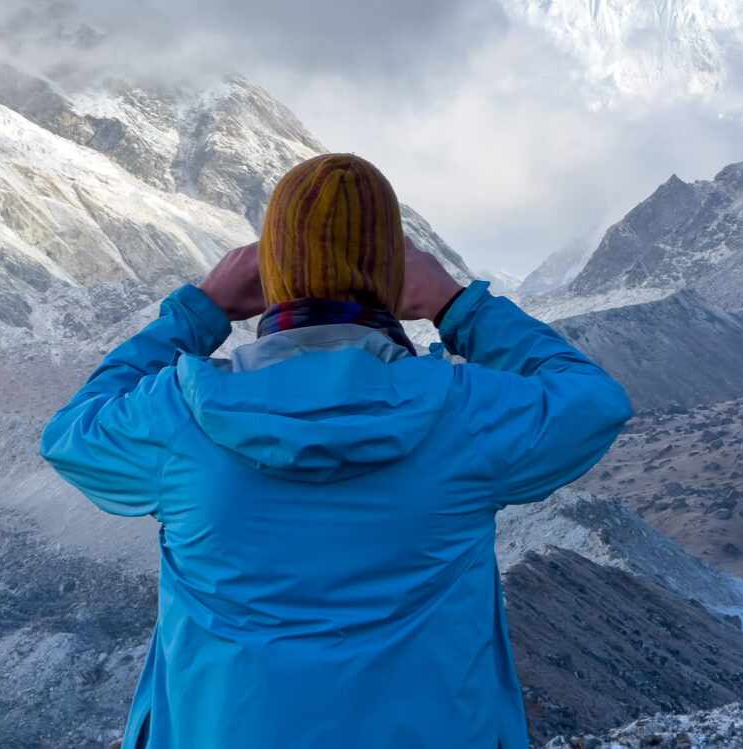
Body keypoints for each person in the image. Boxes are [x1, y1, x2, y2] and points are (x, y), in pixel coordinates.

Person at [40, 153, 633, 748]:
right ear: (395, 271)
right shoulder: (464, 414)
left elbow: (69, 433)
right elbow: (594, 400)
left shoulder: (177, 416)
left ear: (269, 269)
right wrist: (459, 306)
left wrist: (201, 310)